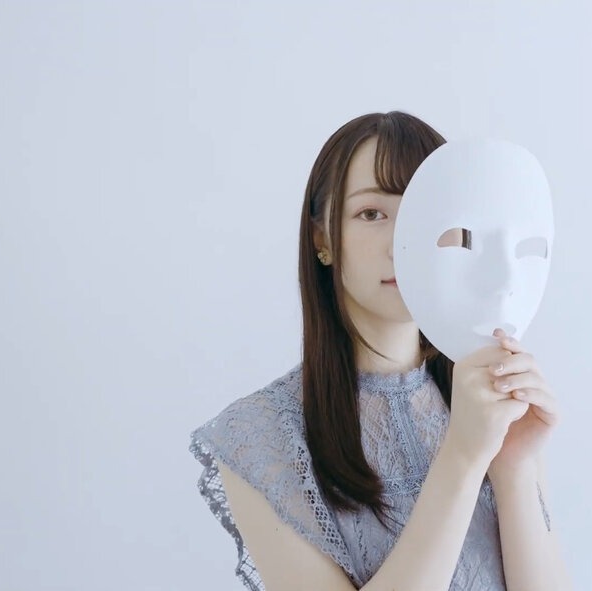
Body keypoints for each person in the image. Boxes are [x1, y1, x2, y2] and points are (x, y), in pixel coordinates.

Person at [189, 111, 569, 590]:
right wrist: (463, 457)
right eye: (373, 214)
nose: (403, 243)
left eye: (427, 215)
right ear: (323, 238)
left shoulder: (495, 398)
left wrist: (513, 465)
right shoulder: (259, 437)